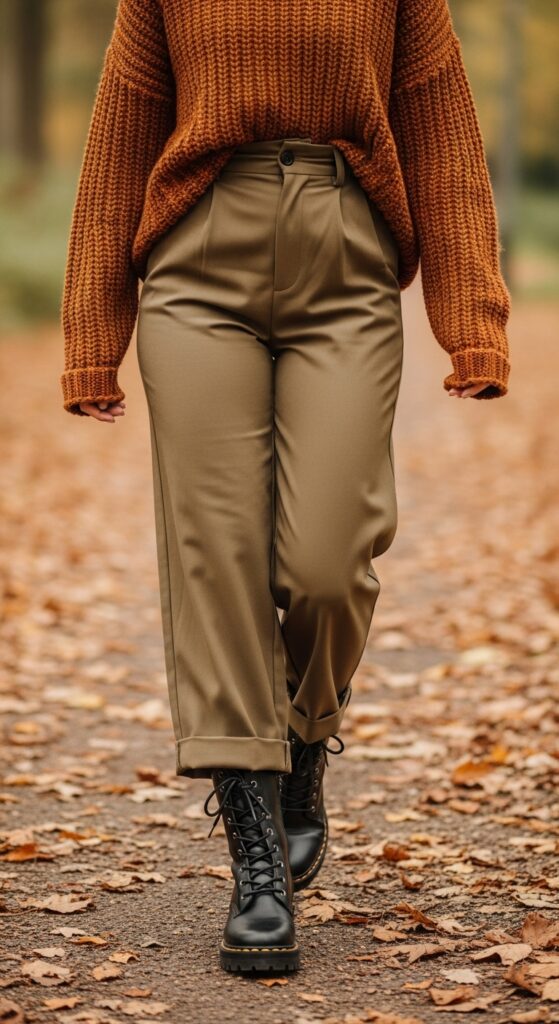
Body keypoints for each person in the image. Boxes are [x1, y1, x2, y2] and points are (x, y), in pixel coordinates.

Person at [60, 0, 511, 975]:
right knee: (216, 553)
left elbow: (441, 139)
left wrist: (472, 318)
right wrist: (93, 338)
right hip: (196, 269)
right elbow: (117, 150)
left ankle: (304, 742)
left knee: (327, 560)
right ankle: (255, 851)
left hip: (346, 263)